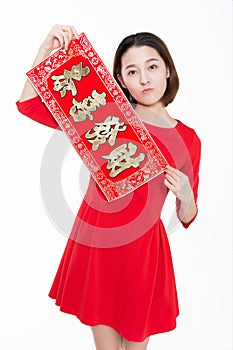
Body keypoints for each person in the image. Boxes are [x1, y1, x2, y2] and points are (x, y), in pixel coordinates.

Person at [16, 24, 201, 350]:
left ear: (168, 71)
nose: (144, 79)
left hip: (143, 251)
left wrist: (185, 193)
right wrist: (45, 51)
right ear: (121, 79)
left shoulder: (187, 139)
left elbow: (187, 216)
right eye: (132, 71)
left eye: (152, 67)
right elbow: (29, 105)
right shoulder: (105, 116)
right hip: (99, 241)